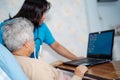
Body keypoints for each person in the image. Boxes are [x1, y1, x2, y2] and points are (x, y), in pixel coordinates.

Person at [2, 17, 88, 80]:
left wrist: (49, 66)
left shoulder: (10, 60)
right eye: (33, 39)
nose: (35, 42)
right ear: (26, 44)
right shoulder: (36, 67)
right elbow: (36, 71)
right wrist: (78, 75)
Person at [0, 0, 80, 60]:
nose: (45, 16)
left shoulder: (41, 26)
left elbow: (56, 45)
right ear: (33, 12)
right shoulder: (7, 27)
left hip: (33, 69)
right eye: (43, 13)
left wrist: (77, 59)